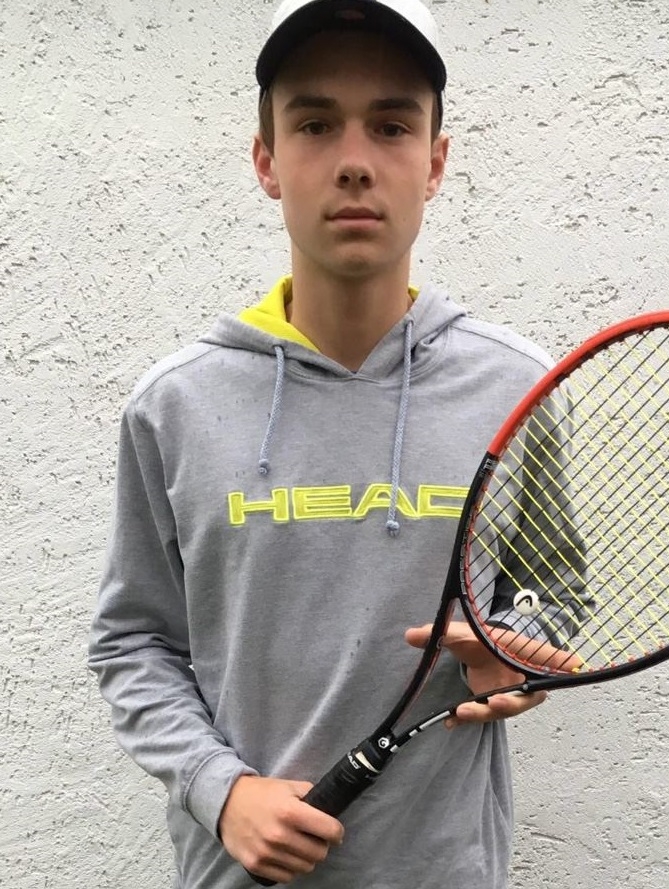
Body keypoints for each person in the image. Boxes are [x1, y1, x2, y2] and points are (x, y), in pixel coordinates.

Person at [89, 1, 570, 886]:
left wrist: (515, 645)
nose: (353, 161)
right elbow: (133, 640)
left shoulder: (515, 387)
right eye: (314, 124)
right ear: (266, 160)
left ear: (434, 162)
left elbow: (553, 590)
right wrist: (222, 790)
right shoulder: (174, 405)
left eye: (390, 125)